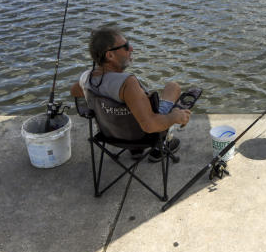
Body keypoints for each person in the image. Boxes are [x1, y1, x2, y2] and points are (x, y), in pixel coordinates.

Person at [71, 26, 190, 159]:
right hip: (142, 136)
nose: (131, 49)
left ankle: (136, 151)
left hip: (109, 133)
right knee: (173, 87)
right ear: (110, 55)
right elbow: (149, 125)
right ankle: (160, 146)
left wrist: (107, 104)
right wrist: (175, 117)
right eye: (126, 46)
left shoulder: (86, 78)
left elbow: (75, 92)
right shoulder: (127, 83)